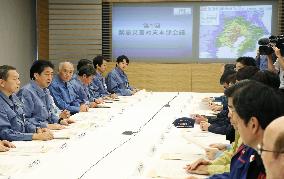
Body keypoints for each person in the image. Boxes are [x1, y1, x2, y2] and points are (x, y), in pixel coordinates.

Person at [0, 65, 53, 141]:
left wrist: (36, 129)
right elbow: (5, 133)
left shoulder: (14, 97)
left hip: (21, 140)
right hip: (11, 145)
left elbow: (23, 121)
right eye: (15, 79)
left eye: (18, 79)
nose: (19, 82)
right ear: (2, 83)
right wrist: (34, 136)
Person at [18, 60, 74, 131]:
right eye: (47, 74)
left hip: (47, 129)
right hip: (36, 132)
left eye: (51, 74)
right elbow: (24, 120)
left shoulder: (46, 90)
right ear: (36, 75)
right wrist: (46, 126)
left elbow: (49, 114)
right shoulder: (26, 92)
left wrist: (59, 120)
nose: (50, 78)